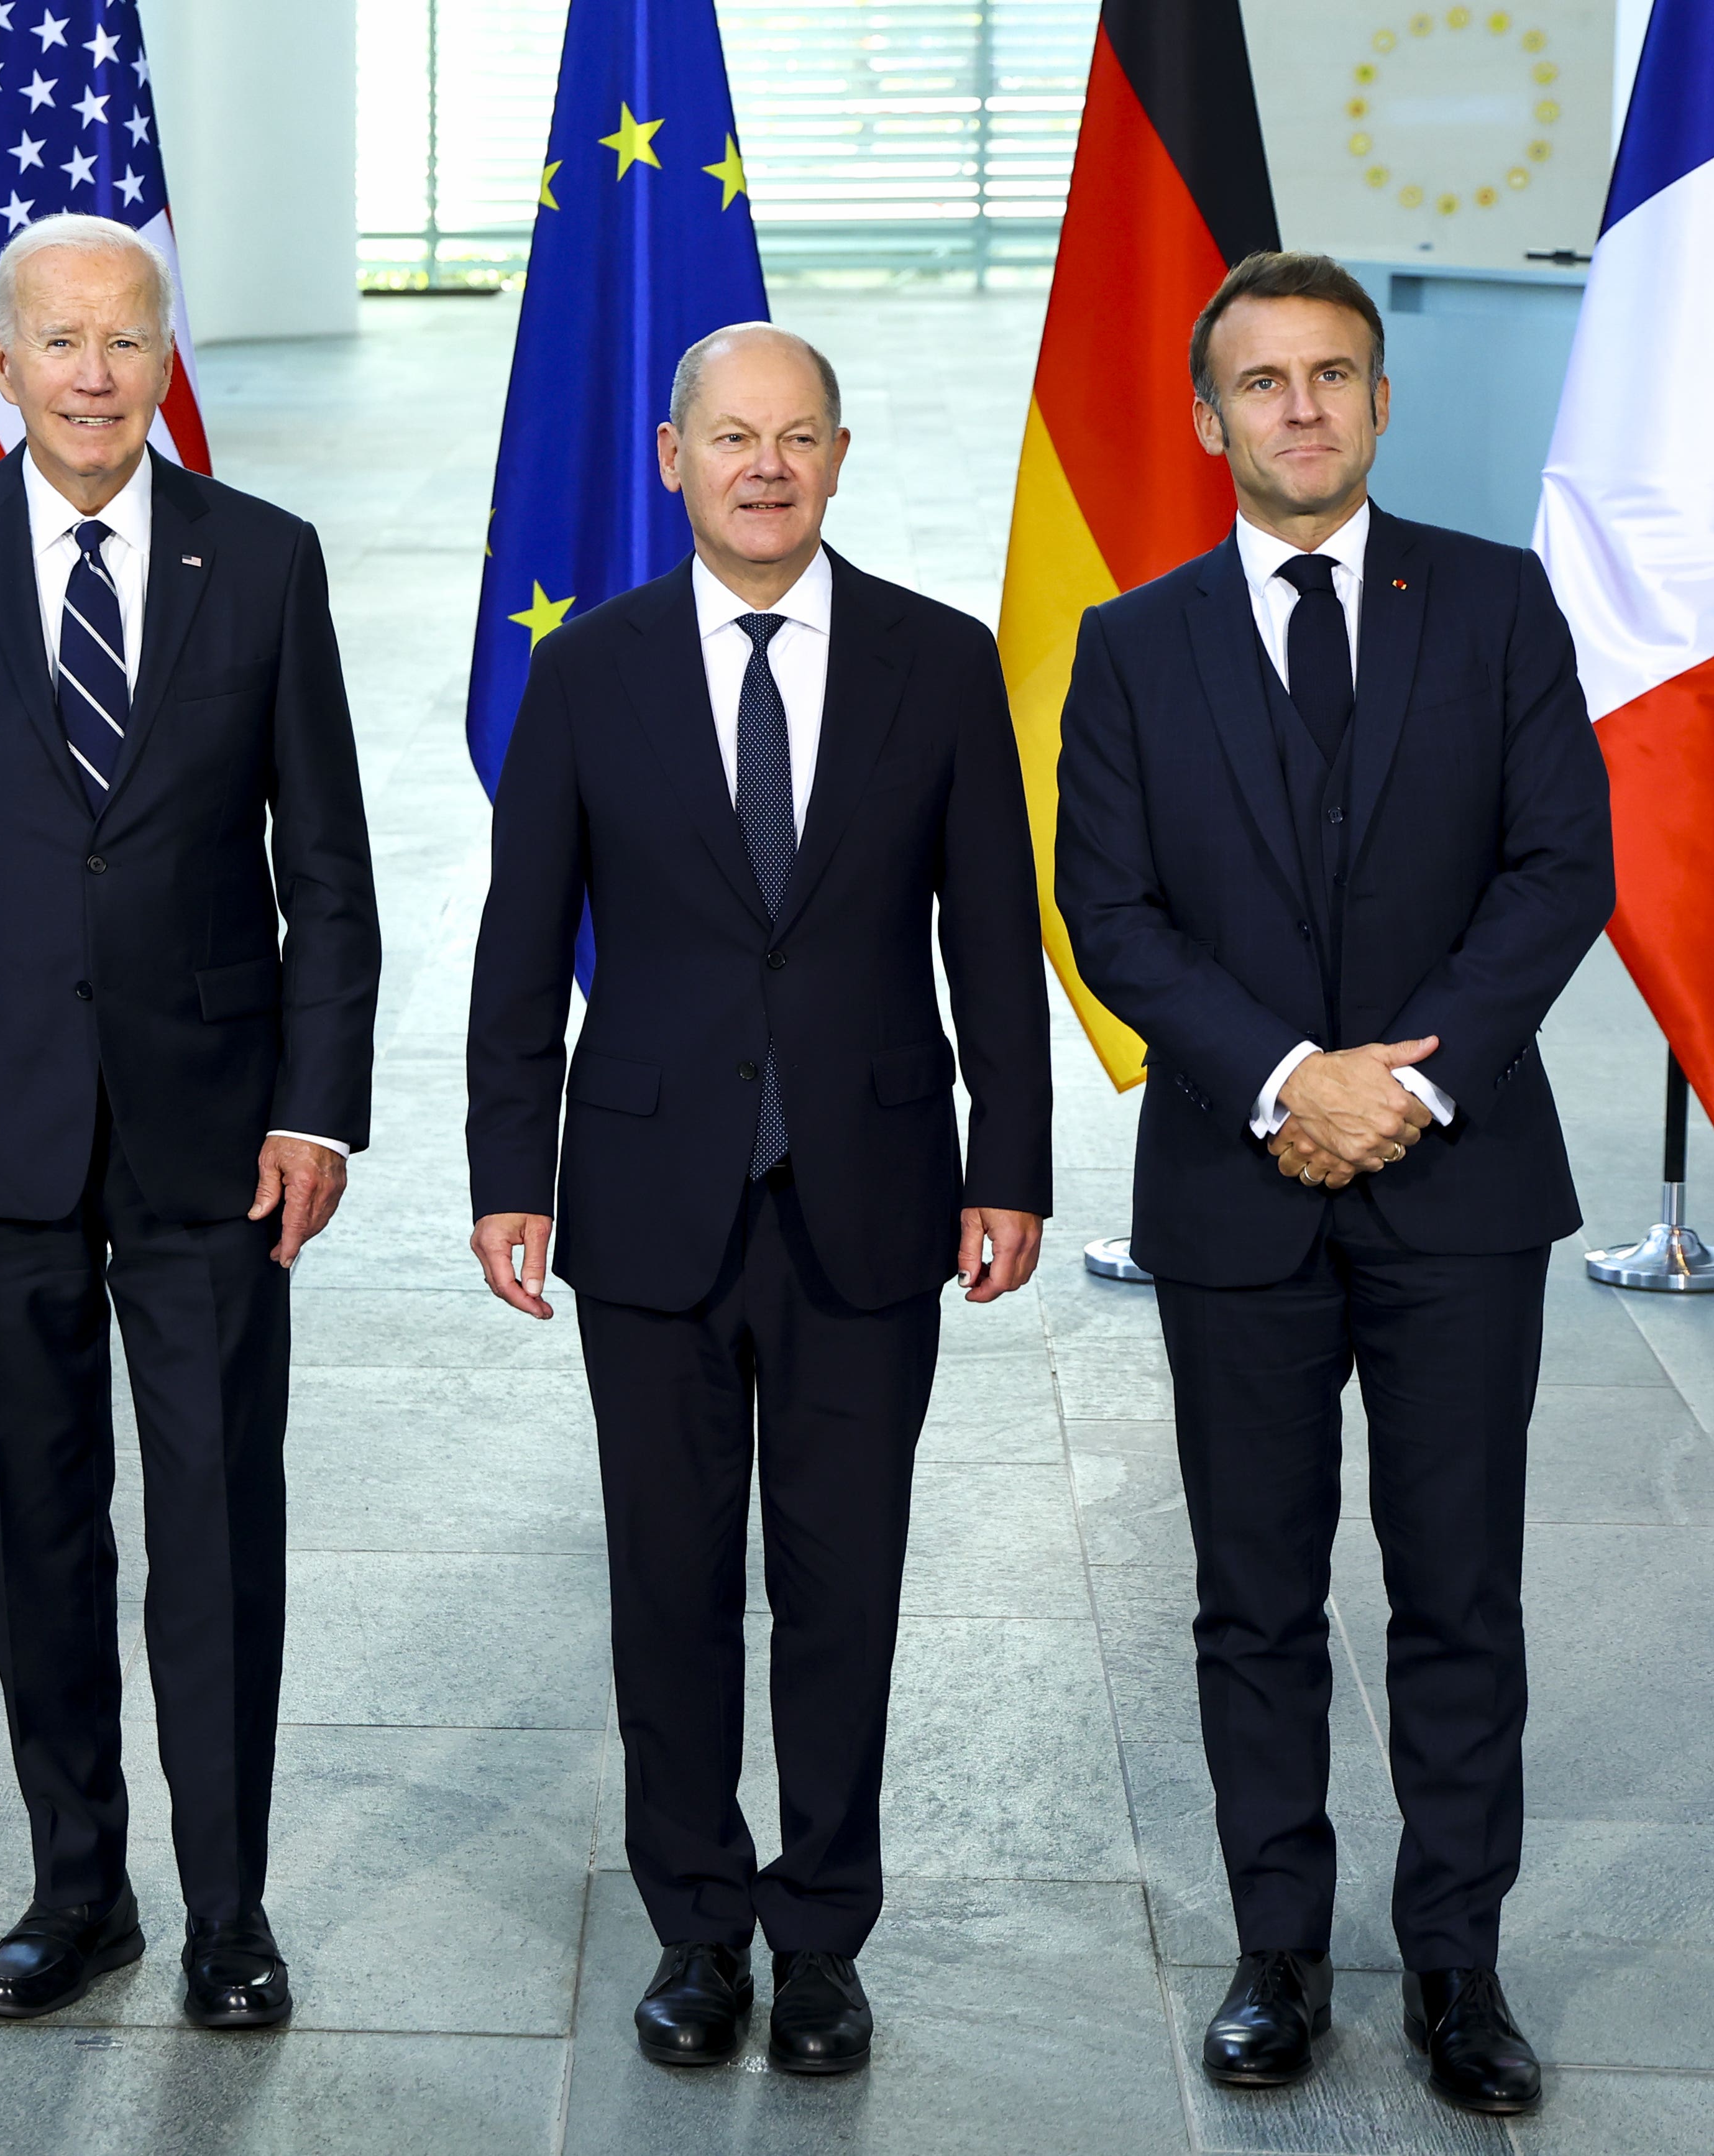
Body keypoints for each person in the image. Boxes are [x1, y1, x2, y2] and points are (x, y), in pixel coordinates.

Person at [0, 214, 378, 2031]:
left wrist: (320, 1109)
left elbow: (330, 879)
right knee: (35, 1523)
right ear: (6, 356)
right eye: (62, 341)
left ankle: (223, 1908)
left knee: (216, 1530)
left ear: (160, 351)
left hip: (218, 1140)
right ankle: (77, 1888)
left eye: (128, 340)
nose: (97, 373)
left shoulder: (261, 561)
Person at [1054, 250, 1614, 2118]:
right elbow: (1109, 909)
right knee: (1254, 1593)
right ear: (1208, 419)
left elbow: (1556, 874)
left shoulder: (1500, 604)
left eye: (1335, 376)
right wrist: (1292, 1080)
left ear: (1383, 403)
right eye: (1266, 382)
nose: (1302, 408)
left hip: (1459, 1191)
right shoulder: (1132, 643)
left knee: (1461, 1587)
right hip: (1239, 1188)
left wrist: (1401, 1090)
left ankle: (1458, 1961)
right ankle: (1275, 1950)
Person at [466, 323, 1052, 2076]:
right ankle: (696, 1929)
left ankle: (820, 1936)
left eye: (798, 436)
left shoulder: (937, 664)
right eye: (732, 436)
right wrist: (512, 1171)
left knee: (841, 1583)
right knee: (666, 1585)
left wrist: (1004, 1159)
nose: (765, 465)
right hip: (644, 1200)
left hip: (867, 1193)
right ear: (672, 458)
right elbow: (518, 948)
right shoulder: (587, 674)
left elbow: (993, 941)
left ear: (841, 456)